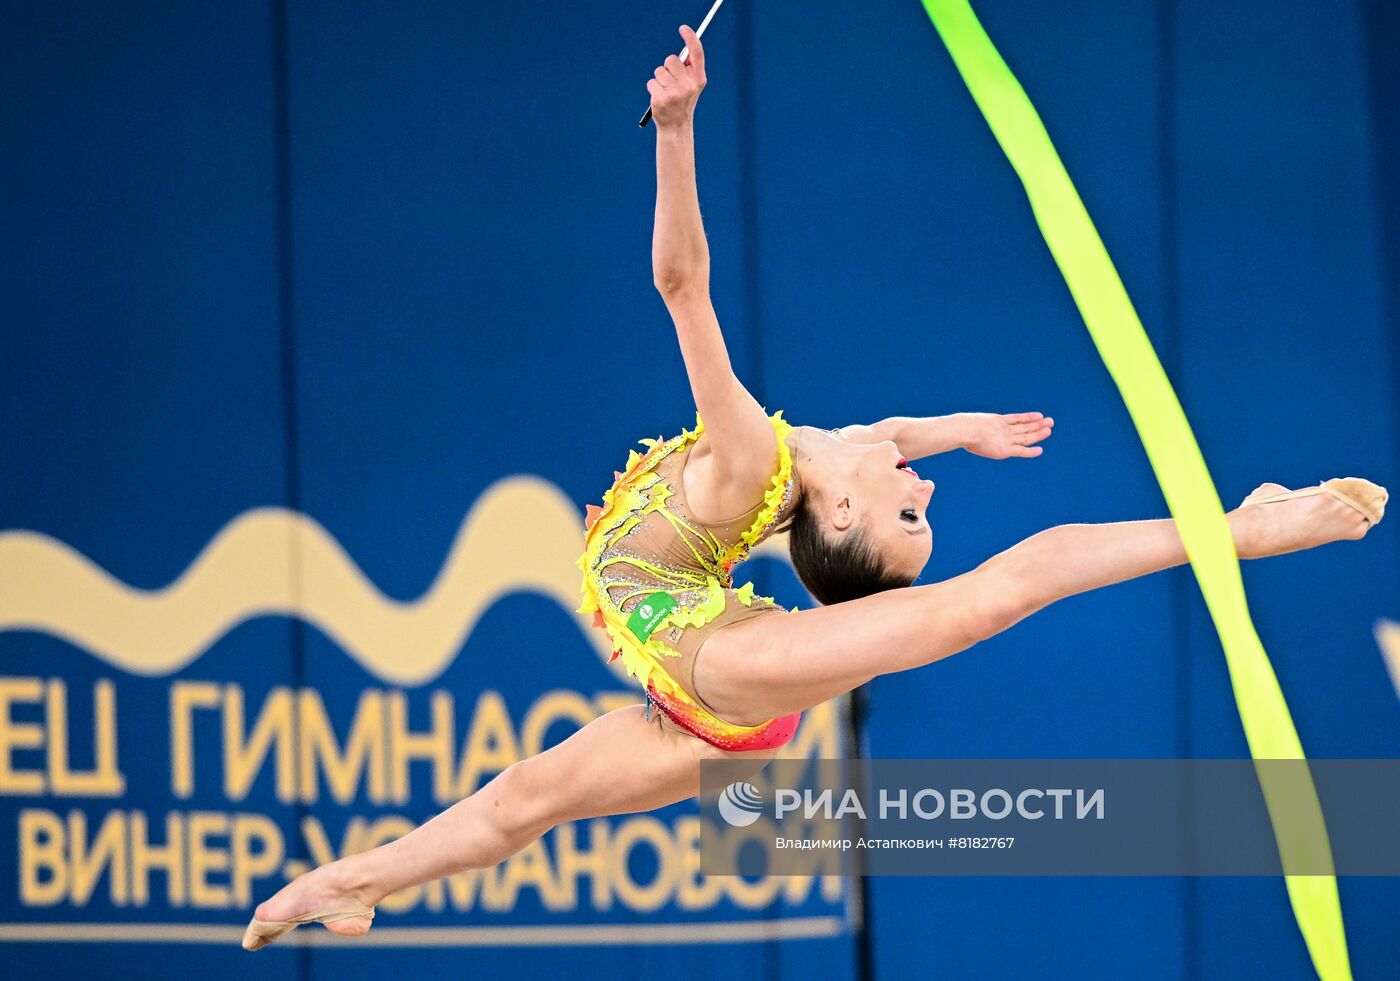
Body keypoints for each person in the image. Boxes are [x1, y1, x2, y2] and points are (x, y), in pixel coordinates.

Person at [242, 24, 1386, 950]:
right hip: (709, 686)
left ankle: (1245, 529)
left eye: (906, 508)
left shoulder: (747, 461)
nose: (920, 485)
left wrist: (676, 130)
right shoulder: (815, 465)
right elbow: (876, 433)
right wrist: (963, 429)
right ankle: (341, 887)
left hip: (720, 667)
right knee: (511, 806)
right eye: (921, 497)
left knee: (989, 596)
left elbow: (681, 281)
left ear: (834, 516)